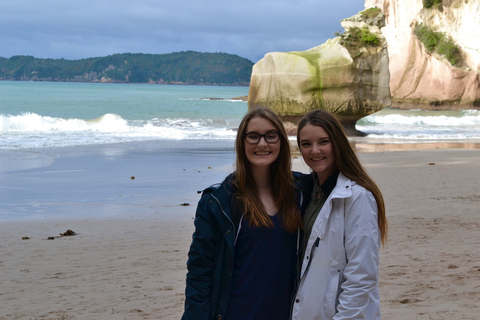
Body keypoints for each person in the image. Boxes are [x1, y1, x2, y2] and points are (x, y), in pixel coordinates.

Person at [182, 107, 303, 320]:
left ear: (281, 142)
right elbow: (199, 273)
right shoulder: (218, 202)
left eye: (271, 136)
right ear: (242, 142)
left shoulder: (302, 193)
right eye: (253, 136)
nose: (262, 144)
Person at [292, 109, 388, 320]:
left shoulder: (358, 197)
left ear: (337, 143)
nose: (315, 150)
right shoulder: (308, 191)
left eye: (323, 142)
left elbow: (362, 274)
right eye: (306, 144)